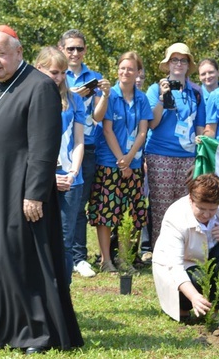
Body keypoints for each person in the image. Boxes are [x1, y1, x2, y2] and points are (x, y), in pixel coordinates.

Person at [0, 25, 83, 353]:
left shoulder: (39, 86)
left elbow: (44, 145)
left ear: (19, 51)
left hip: (20, 193)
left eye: (0, 53)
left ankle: (36, 332)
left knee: (24, 260)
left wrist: (35, 193)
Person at [89, 51, 151, 273]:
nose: (126, 72)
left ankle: (125, 258)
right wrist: (121, 161)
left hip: (133, 163)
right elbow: (106, 129)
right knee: (107, 212)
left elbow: (143, 132)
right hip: (109, 162)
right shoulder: (109, 95)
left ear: (138, 73)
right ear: (118, 70)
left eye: (131, 69)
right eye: (122, 68)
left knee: (131, 212)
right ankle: (106, 260)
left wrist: (130, 158)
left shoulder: (142, 98)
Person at [153, 173, 219, 321]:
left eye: (212, 210)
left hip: (208, 259)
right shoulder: (175, 218)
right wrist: (194, 296)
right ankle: (183, 308)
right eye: (201, 209)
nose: (207, 214)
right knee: (198, 279)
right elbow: (175, 267)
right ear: (191, 200)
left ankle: (214, 309)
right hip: (183, 266)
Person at [145, 43, 205, 250]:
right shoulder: (154, 89)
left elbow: (200, 127)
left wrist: (200, 153)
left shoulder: (196, 92)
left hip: (188, 157)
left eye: (183, 60)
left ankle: (182, 253)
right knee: (161, 208)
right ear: (168, 64)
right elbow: (152, 123)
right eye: (174, 60)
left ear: (189, 65)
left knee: (186, 208)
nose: (178, 64)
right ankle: (160, 253)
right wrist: (163, 98)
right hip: (160, 154)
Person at [34, 47, 85, 285]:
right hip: (39, 179)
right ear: (39, 68)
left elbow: (79, 141)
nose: (60, 77)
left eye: (63, 72)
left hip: (71, 179)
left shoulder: (74, 100)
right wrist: (48, 177)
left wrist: (73, 173)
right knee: (38, 238)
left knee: (64, 240)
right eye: (54, 72)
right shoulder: (30, 97)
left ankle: (62, 296)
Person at [59, 29, 108, 279]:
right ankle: (58, 252)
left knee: (79, 204)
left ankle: (78, 257)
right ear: (61, 50)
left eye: (79, 48)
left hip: (86, 146)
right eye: (70, 49)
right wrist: (73, 95)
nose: (75, 53)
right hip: (57, 147)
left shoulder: (94, 77)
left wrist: (105, 95)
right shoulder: (56, 74)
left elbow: (98, 116)